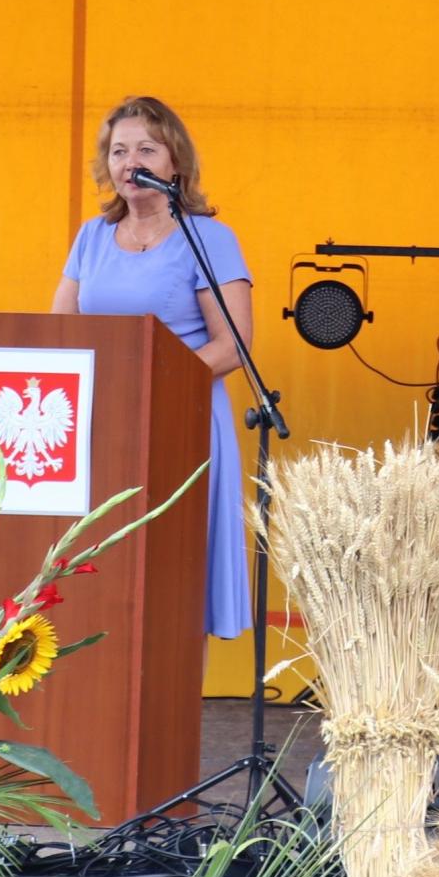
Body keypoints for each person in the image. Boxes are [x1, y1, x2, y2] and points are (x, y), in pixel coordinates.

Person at [51, 96, 253, 639]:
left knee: (175, 588)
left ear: (175, 162)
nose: (130, 162)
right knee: (105, 574)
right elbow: (58, 332)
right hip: (101, 426)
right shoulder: (91, 237)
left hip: (180, 419)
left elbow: (232, 345)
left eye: (146, 149)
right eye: (119, 151)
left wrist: (148, 383)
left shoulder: (208, 239)